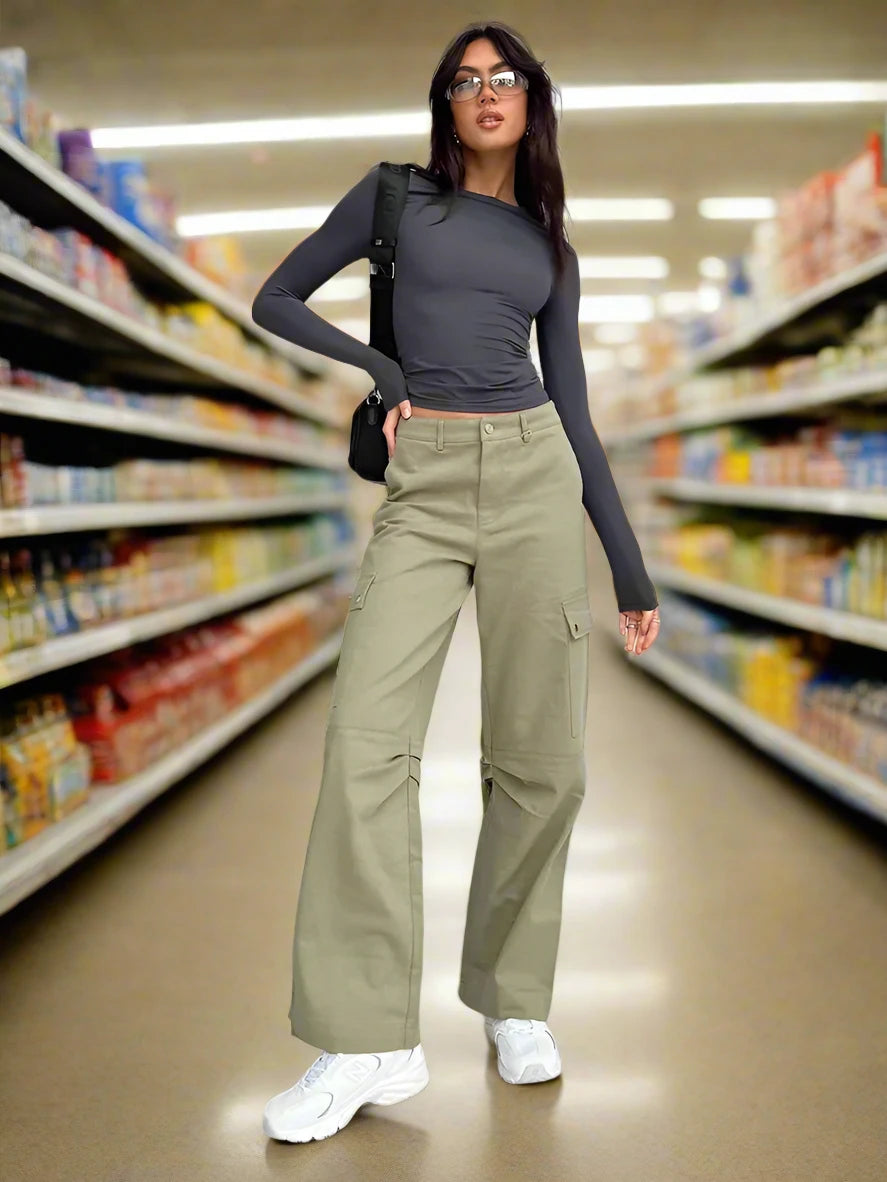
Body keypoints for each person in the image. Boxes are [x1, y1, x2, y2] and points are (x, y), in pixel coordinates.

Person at [251, 19, 660, 1144]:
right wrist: (380, 369)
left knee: (540, 757)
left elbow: (573, 412)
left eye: (505, 78)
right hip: (423, 479)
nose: (486, 93)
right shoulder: (393, 199)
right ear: (444, 102)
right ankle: (365, 1036)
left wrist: (627, 566)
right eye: (465, 80)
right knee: (363, 745)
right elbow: (276, 297)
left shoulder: (550, 250)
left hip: (533, 473)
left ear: (530, 103)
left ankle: (512, 1001)